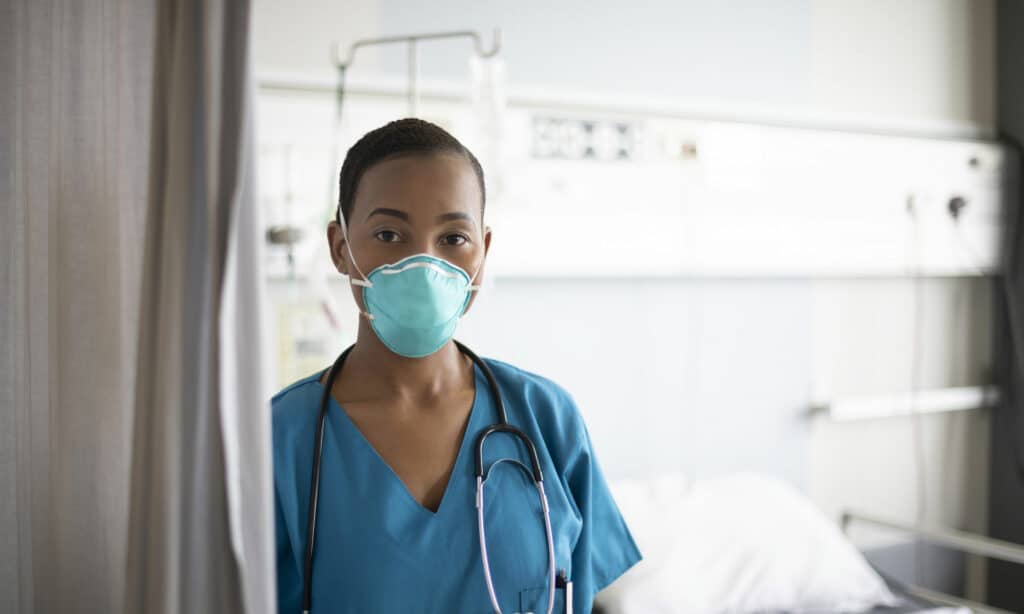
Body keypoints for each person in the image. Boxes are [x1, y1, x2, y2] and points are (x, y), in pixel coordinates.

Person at [272, 117, 641, 613]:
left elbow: (597, 599)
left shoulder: (544, 417)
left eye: (452, 239)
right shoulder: (282, 438)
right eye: (388, 233)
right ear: (341, 247)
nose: (424, 264)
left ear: (483, 253)